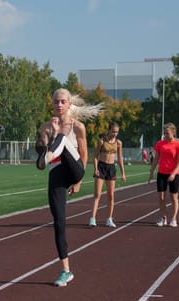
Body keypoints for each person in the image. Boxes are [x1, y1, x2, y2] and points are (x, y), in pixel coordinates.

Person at [36, 88, 103, 287]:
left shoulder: (78, 127)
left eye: (62, 102)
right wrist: (49, 137)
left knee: (64, 139)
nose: (59, 105)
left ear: (68, 103)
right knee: (59, 222)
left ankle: (53, 150)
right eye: (56, 102)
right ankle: (66, 270)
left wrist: (79, 181)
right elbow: (44, 145)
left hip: (74, 168)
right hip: (56, 171)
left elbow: (84, 154)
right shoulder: (45, 126)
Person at [89, 122, 126, 228]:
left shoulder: (118, 143)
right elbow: (95, 156)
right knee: (97, 194)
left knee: (111, 195)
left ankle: (109, 219)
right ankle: (92, 218)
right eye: (113, 131)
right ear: (109, 130)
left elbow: (120, 159)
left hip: (111, 168)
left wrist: (123, 173)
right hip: (101, 167)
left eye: (117, 132)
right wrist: (96, 169)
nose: (115, 134)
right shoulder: (101, 141)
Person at [148, 122, 179, 227]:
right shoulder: (160, 144)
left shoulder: (178, 145)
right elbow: (156, 159)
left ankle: (174, 219)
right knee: (161, 197)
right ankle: (163, 217)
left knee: (174, 197)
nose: (165, 135)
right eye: (164, 133)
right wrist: (151, 172)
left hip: (174, 174)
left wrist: (173, 173)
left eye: (167, 133)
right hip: (161, 173)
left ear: (173, 132)